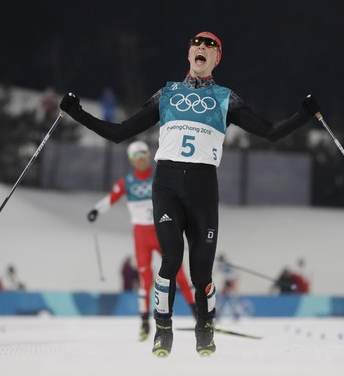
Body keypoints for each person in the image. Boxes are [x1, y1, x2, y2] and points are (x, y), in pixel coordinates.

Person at [60, 31, 320, 357]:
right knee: (171, 259)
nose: (201, 48)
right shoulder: (167, 93)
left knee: (201, 272)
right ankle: (162, 329)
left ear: (216, 59)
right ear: (189, 54)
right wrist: (77, 113)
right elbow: (120, 133)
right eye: (197, 44)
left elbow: (269, 133)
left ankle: (204, 328)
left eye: (210, 46)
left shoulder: (226, 98)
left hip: (203, 188)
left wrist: (303, 115)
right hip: (166, 184)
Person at [86, 140, 197, 341]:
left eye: (144, 155)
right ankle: (145, 322)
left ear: (149, 156)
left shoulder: (159, 177)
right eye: (136, 157)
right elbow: (111, 198)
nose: (141, 160)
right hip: (141, 236)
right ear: (131, 160)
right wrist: (96, 210)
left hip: (163, 230)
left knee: (179, 275)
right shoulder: (127, 181)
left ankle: (197, 315)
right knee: (145, 280)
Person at [215, 254, 240, 320]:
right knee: (221, 297)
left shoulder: (229, 263)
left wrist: (232, 280)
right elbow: (214, 272)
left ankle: (236, 313)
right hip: (226, 281)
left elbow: (235, 272)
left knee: (233, 297)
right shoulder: (219, 265)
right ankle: (218, 313)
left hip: (232, 280)